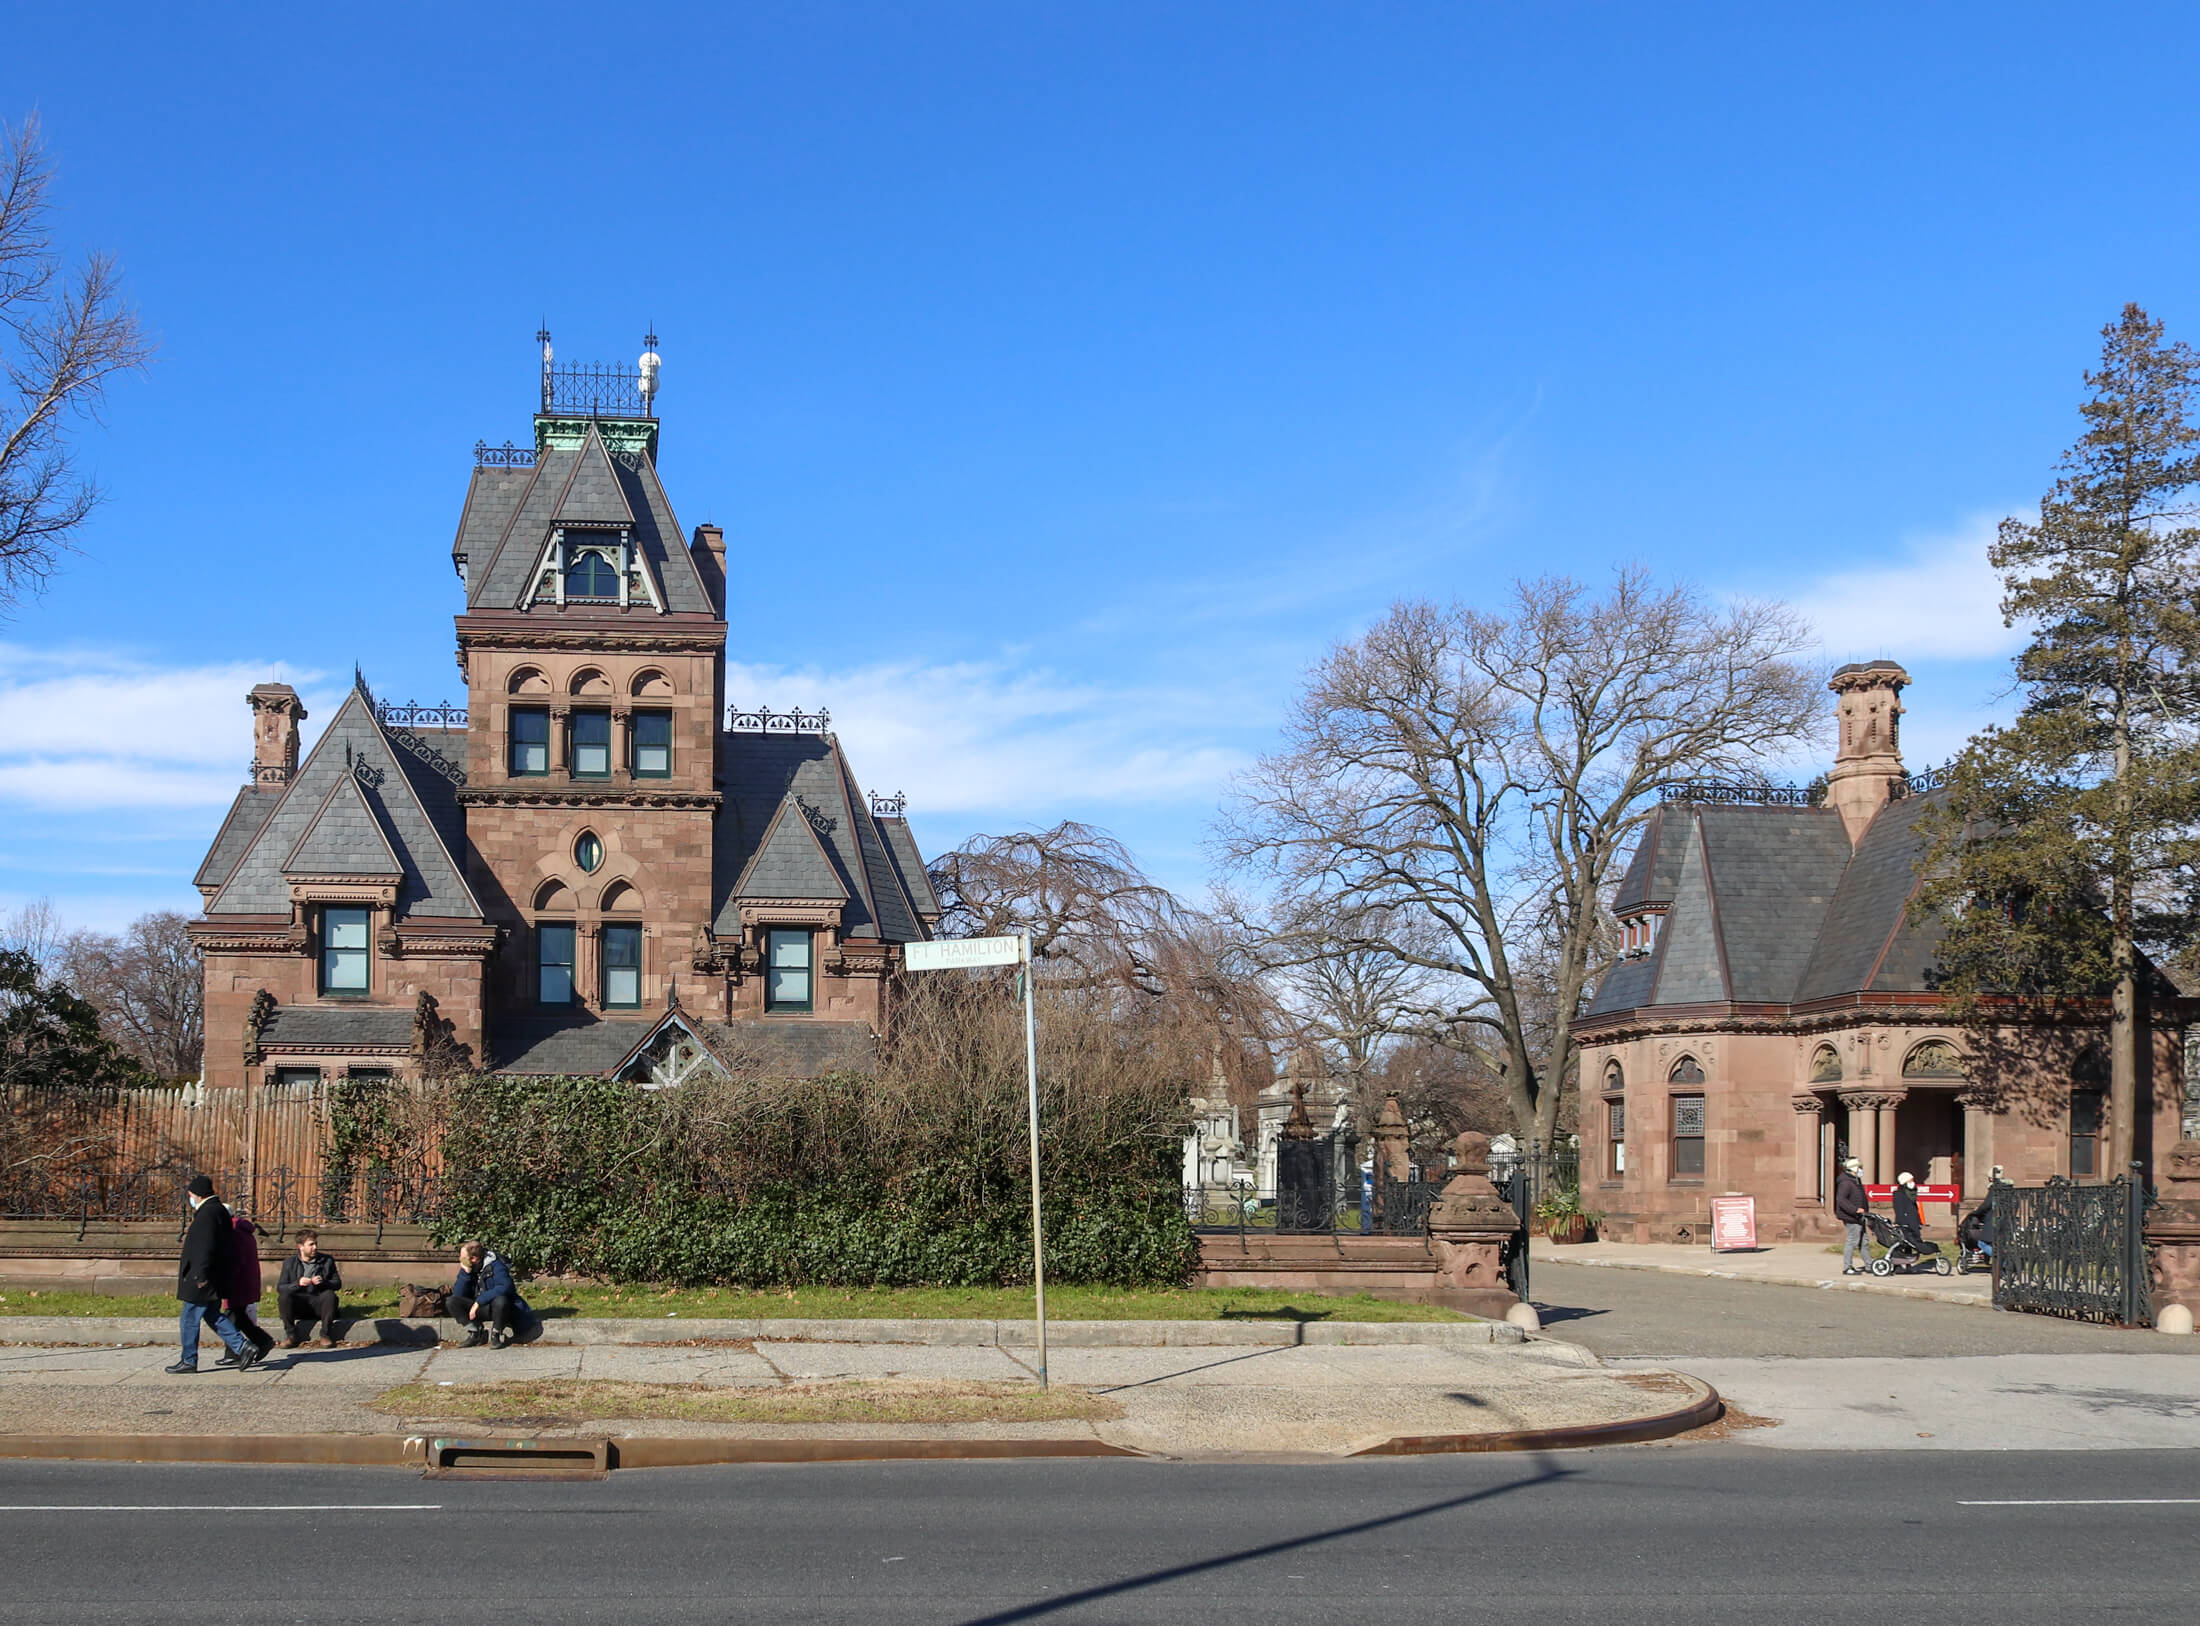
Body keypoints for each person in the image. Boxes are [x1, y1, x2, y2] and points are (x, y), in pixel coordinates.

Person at [167, 1174, 257, 1375]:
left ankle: (188, 1360)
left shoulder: (207, 1213)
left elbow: (204, 1247)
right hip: (215, 1275)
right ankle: (243, 1347)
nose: (190, 1198)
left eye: (190, 1194)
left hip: (203, 1277)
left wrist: (200, 1275)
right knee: (212, 1315)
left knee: (189, 1318)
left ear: (196, 1194)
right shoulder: (218, 1211)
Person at [216, 1209, 276, 1365]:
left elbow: (234, 1260)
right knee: (238, 1316)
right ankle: (258, 1342)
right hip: (245, 1280)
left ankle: (242, 1349)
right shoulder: (242, 1230)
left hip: (238, 1282)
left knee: (232, 1316)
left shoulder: (234, 1232)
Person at [448, 1241, 530, 1349]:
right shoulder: (468, 1267)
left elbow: (506, 1286)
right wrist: (465, 1274)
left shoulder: (496, 1265)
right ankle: (475, 1332)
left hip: (496, 1308)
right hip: (477, 1309)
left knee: (501, 1300)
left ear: (474, 1258)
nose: (460, 1259)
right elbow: (458, 1294)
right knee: (452, 1302)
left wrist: (479, 1302)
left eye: (463, 1257)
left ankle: (496, 1334)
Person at [276, 1227, 344, 1347]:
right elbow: (281, 1287)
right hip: (299, 1304)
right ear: (300, 1246)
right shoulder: (289, 1263)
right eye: (311, 1244)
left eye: (316, 1244)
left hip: (318, 1302)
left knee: (329, 1295)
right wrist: (298, 1283)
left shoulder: (327, 1260)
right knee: (284, 1297)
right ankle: (291, 1335)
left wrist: (323, 1282)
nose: (315, 1247)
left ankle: (325, 1334)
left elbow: (337, 1284)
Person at [1834, 1156, 1870, 1274]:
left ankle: (1869, 1265)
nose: (1861, 1170)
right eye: (1859, 1167)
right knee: (1852, 1241)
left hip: (1859, 1217)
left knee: (1864, 1242)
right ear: (1853, 1168)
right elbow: (1841, 1200)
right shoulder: (1846, 1183)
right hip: (1852, 1217)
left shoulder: (1855, 1181)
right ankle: (1847, 1267)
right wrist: (1855, 1210)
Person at [1892, 1170, 1926, 1250]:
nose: (1913, 1182)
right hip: (1906, 1223)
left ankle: (1908, 1260)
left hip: (1914, 1221)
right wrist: (1900, 1223)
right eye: (1910, 1180)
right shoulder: (1899, 1194)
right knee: (1906, 1242)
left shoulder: (1912, 1192)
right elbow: (1899, 1210)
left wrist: (1919, 1221)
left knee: (1913, 1243)